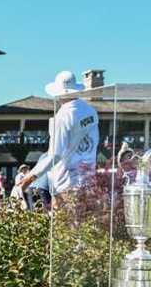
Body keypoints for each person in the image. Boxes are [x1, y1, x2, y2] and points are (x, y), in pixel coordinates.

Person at [18, 71, 99, 200]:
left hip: (66, 183)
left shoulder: (63, 116)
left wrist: (31, 176)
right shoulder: (90, 111)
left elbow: (55, 154)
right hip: (87, 179)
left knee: (65, 218)